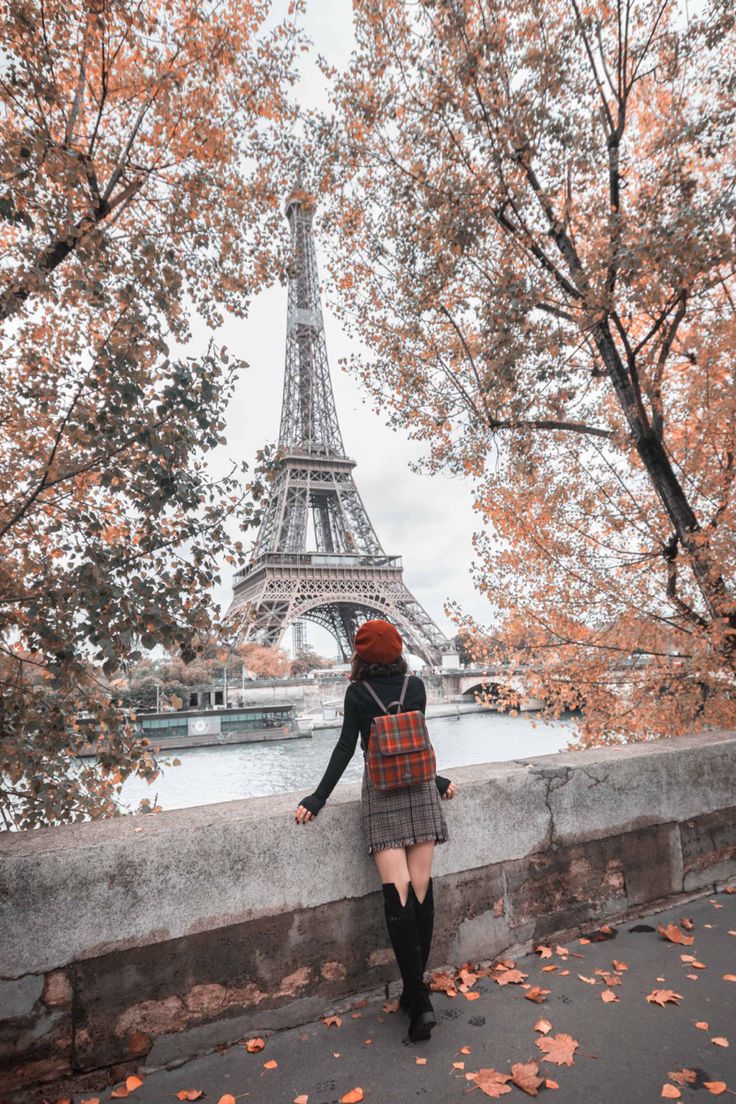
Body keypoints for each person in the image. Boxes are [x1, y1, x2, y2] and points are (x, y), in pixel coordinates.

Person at [295, 618, 457, 1043]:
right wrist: (436, 780)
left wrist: (318, 797)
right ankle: (415, 991)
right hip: (420, 788)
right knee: (421, 888)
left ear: (361, 654)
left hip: (382, 792)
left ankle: (418, 999)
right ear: (400, 649)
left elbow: (346, 748)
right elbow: (417, 743)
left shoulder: (357, 693)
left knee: (398, 892)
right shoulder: (416, 688)